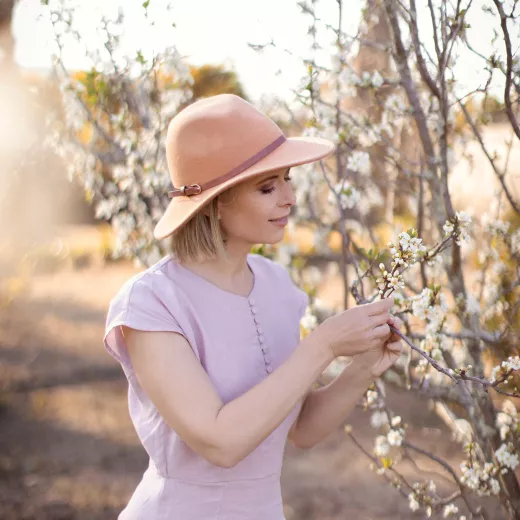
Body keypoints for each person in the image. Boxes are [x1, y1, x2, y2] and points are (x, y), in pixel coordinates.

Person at [104, 94, 404, 519]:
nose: (289, 199)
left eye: (287, 179)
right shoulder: (150, 303)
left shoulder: (278, 286)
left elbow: (299, 428)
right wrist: (324, 345)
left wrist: (363, 369)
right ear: (217, 201)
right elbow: (220, 442)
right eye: (268, 187)